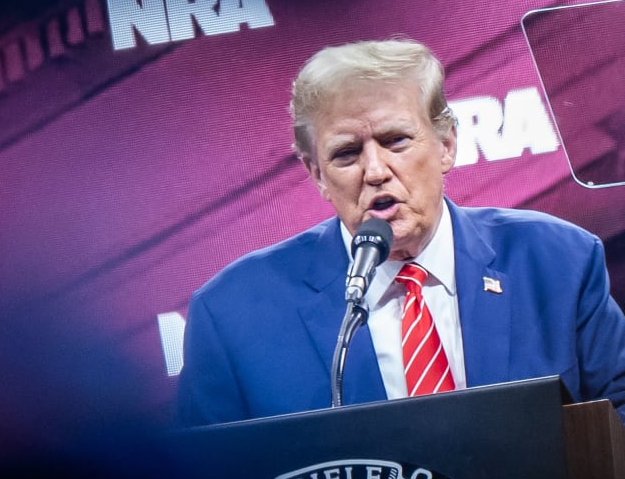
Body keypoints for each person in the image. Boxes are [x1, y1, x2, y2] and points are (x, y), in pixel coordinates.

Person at [175, 37, 625, 427]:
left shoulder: (558, 262)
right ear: (316, 174)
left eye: (396, 141)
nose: (375, 171)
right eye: (347, 154)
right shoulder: (233, 315)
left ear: (447, 144)